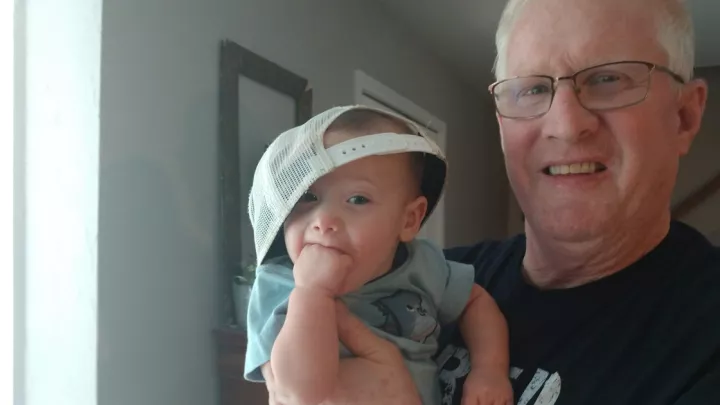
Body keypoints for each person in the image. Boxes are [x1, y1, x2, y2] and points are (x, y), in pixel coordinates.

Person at [262, 0, 720, 404]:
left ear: (684, 115)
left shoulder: (701, 343)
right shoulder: (430, 273)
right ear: (503, 123)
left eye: (608, 78)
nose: (565, 124)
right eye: (533, 88)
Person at [243, 105, 513, 405]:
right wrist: (311, 293)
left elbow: (476, 302)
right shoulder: (279, 283)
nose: (324, 219)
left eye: (357, 199)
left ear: (409, 220)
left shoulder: (423, 264)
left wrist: (490, 368)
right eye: (308, 196)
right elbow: (301, 392)